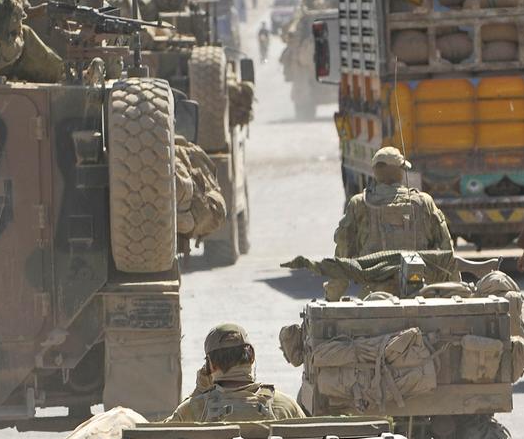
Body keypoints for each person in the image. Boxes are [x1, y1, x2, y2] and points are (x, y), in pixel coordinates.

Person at [328, 147, 452, 299]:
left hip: (374, 296)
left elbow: (343, 253)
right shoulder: (423, 202)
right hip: (421, 292)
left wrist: (332, 295)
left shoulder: (359, 204)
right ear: (400, 172)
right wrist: (455, 291)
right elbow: (447, 249)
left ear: (375, 172)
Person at [169, 324, 305, 423]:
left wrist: (198, 392)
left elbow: (161, 436)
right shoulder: (287, 406)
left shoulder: (192, 410)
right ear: (251, 357)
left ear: (211, 365)